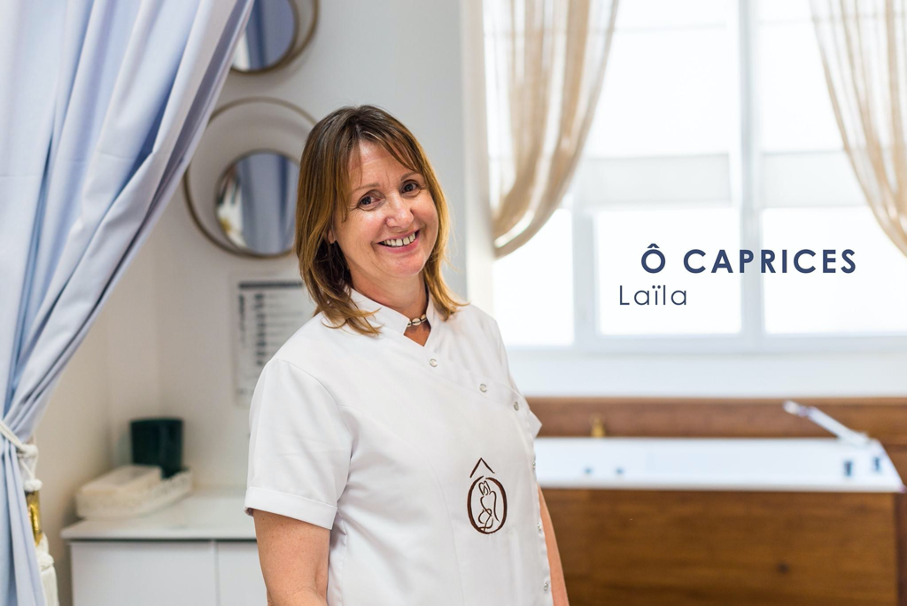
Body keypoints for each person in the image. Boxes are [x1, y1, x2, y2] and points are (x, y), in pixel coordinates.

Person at [244, 105, 568, 605]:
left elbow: (528, 505)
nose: (400, 214)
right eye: (368, 199)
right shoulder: (304, 374)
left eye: (410, 186)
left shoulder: (478, 332)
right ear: (328, 227)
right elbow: (294, 590)